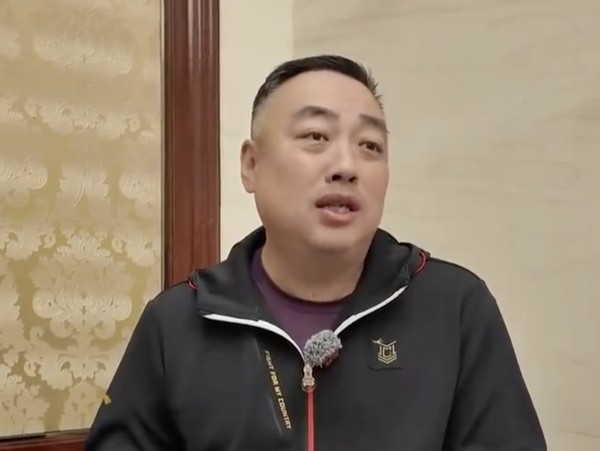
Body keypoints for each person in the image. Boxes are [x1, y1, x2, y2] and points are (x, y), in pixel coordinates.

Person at [85, 54, 547, 451]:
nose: (346, 166)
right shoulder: (176, 322)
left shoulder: (455, 307)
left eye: (370, 146)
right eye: (316, 137)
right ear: (251, 164)